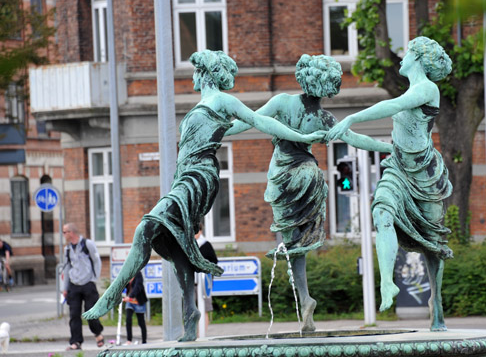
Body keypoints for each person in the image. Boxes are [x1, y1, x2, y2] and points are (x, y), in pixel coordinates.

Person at [83, 50, 324, 341]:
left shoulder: (222, 99)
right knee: (175, 242)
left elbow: (263, 123)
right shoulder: (205, 106)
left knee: (146, 228)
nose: (192, 77)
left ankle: (109, 297)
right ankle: (190, 313)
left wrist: (302, 138)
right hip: (183, 177)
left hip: (200, 177)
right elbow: (237, 127)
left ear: (206, 74)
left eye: (196, 71)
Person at [225, 54, 392, 331]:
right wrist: (390, 148)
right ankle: (304, 301)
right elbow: (357, 140)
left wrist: (220, 132)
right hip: (309, 176)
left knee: (291, 242)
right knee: (299, 242)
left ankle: (304, 297)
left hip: (283, 175)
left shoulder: (282, 102)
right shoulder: (325, 118)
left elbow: (250, 120)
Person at [326, 37, 453, 331]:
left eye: (407, 52)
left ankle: (437, 304)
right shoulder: (413, 91)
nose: (402, 57)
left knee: (434, 245)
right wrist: (347, 136)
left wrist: (352, 118)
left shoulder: (427, 89)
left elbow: (393, 104)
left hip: (426, 173)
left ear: (418, 58)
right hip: (398, 167)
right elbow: (390, 145)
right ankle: (387, 283)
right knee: (381, 213)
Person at [61, 223, 105, 350]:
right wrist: (65, 288)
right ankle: (76, 341)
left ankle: (98, 334)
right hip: (74, 285)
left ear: (71, 232)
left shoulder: (87, 244)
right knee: (74, 314)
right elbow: (67, 267)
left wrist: (94, 278)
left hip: (88, 283)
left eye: (65, 232)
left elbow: (97, 261)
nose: (64, 235)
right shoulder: (67, 249)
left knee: (90, 312)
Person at [196, 223, 217, 329]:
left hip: (204, 282)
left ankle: (202, 333)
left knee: (204, 308)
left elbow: (214, 262)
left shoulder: (206, 245)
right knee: (192, 309)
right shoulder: (189, 245)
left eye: (196, 231)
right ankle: (194, 332)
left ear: (201, 231)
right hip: (192, 282)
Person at [123, 271, 147, 345]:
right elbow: (123, 285)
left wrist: (130, 296)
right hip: (130, 302)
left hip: (138, 302)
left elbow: (138, 286)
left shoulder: (138, 274)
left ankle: (144, 341)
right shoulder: (128, 275)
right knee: (128, 319)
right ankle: (129, 340)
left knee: (141, 322)